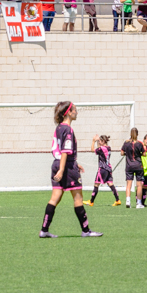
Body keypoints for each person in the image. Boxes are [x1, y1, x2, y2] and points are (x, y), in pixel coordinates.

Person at [39, 101, 102, 239]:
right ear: (68, 112)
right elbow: (65, 151)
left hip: (57, 163)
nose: (77, 112)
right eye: (75, 110)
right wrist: (63, 169)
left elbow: (62, 151)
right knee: (78, 198)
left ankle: (44, 230)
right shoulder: (68, 129)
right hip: (66, 166)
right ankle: (86, 231)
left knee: (54, 198)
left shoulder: (58, 128)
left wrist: (73, 163)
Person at [87, 135, 120, 207]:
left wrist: (93, 141)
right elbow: (100, 149)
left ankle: (91, 201)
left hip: (102, 169)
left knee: (96, 184)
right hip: (108, 168)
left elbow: (93, 150)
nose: (98, 142)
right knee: (110, 184)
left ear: (103, 141)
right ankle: (118, 200)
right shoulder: (108, 148)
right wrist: (98, 142)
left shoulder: (101, 148)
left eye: (99, 141)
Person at [120, 128, 144, 208]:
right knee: (139, 185)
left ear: (130, 133)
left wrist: (127, 154)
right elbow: (144, 154)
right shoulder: (139, 144)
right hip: (138, 165)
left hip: (129, 165)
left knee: (128, 185)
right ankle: (139, 203)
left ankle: (128, 201)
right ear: (137, 134)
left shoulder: (126, 143)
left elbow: (122, 153)